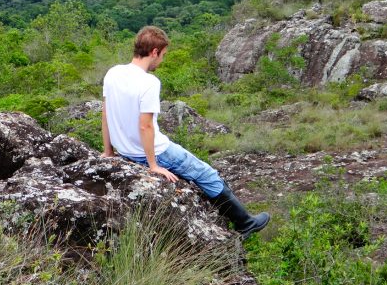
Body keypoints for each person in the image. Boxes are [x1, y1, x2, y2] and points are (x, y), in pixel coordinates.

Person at [101, 26, 269, 238]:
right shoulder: (149, 82)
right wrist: (153, 166)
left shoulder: (113, 73)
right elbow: (146, 126)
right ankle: (246, 223)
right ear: (154, 52)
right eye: (162, 55)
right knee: (206, 174)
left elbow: (105, 113)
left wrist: (108, 151)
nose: (161, 61)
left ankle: (242, 220)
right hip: (155, 152)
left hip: (125, 150)